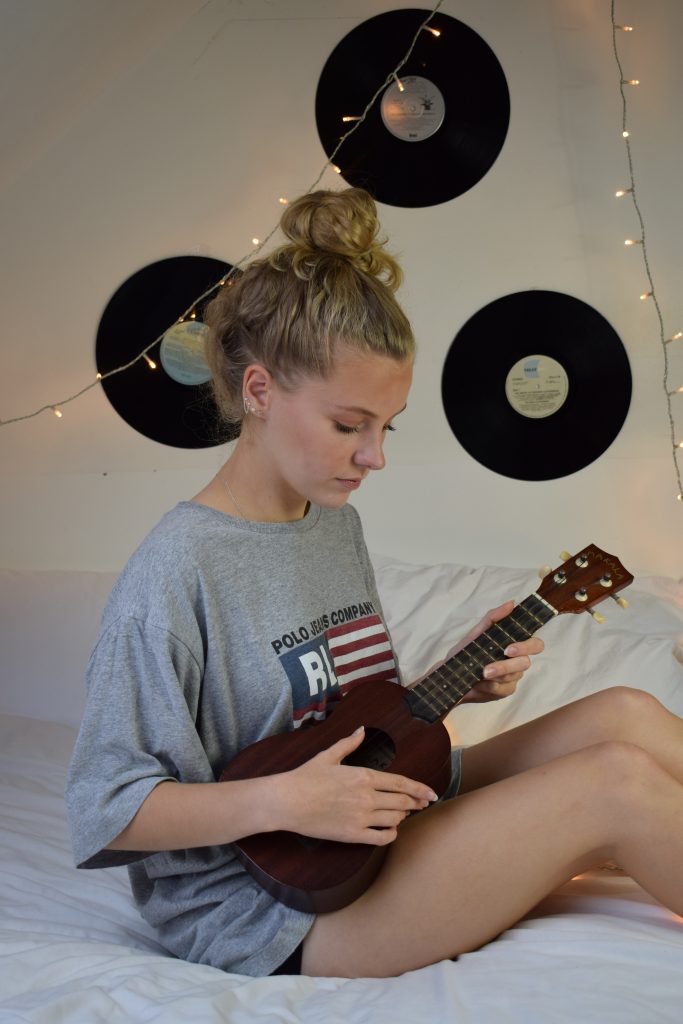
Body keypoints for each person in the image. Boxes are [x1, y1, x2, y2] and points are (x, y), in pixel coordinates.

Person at [67, 187, 683, 980]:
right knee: (615, 784)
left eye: (385, 426)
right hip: (276, 903)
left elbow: (344, 716)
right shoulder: (175, 572)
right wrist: (287, 801)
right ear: (259, 391)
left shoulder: (331, 523)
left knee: (624, 713)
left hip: (383, 811)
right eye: (347, 424)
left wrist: (456, 679)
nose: (374, 457)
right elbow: (104, 810)